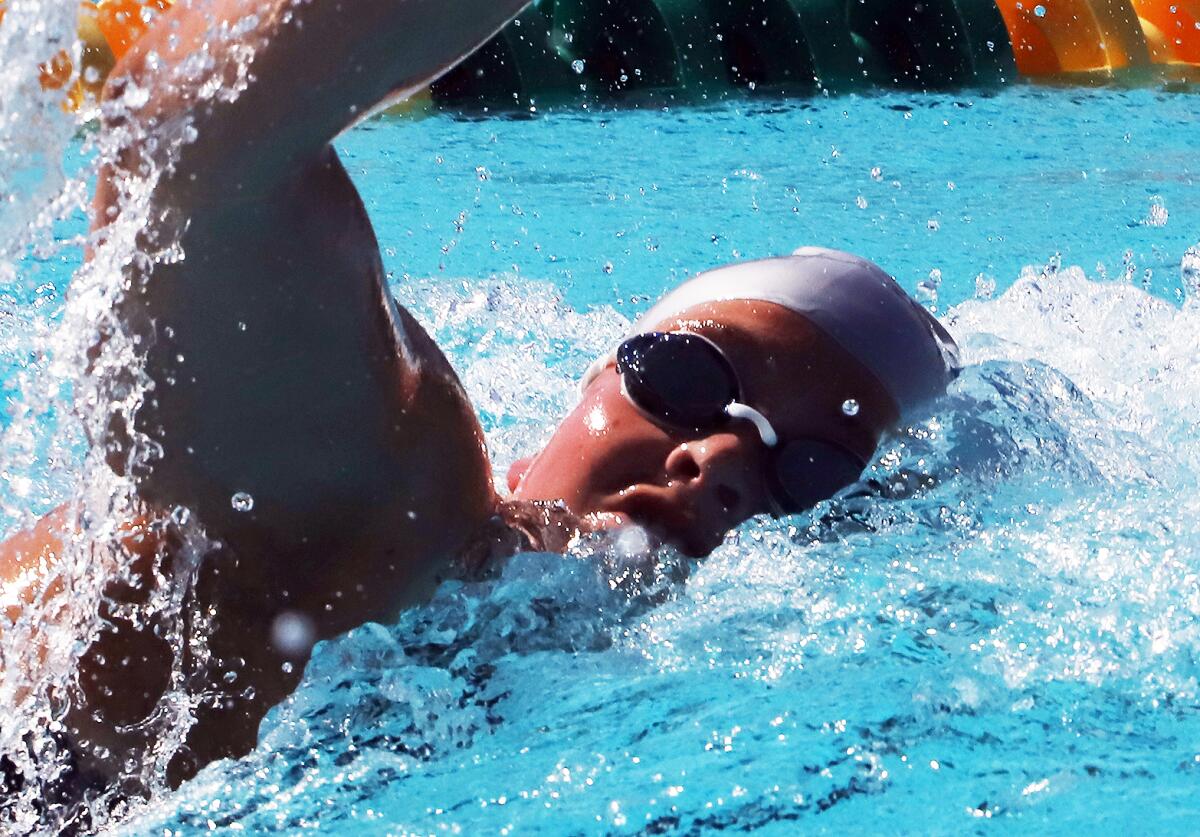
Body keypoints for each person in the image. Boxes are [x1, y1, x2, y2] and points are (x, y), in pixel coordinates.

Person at [0, 0, 958, 814]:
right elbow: (190, 140)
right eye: (693, 380)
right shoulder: (395, 494)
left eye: (812, 468)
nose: (716, 459)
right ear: (597, 377)